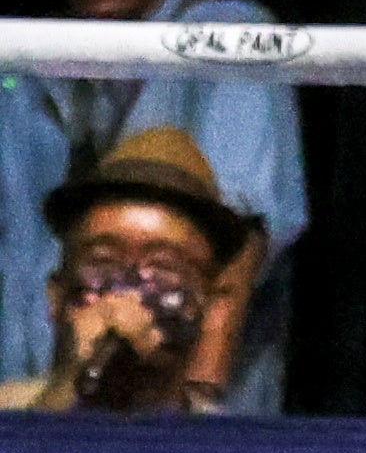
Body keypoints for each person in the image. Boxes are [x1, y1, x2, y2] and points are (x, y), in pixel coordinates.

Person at [12, 0, 303, 411]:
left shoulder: (226, 34)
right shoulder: (13, 62)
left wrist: (197, 417)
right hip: (30, 418)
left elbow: (234, 255)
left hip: (181, 429)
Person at [16, 131, 268, 416]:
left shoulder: (229, 450)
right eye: (104, 262)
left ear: (210, 307)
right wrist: (67, 385)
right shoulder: (9, 416)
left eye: (164, 268)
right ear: (56, 296)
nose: (129, 291)